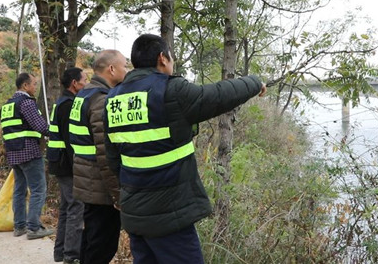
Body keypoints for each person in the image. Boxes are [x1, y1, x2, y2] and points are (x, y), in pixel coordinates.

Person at [105, 34, 266, 263]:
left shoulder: (113, 98)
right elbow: (219, 95)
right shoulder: (171, 90)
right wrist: (254, 82)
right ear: (162, 58)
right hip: (169, 216)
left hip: (135, 214)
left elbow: (113, 159)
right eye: (171, 57)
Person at [70, 50, 129, 264]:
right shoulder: (101, 100)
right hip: (100, 186)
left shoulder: (84, 94)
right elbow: (105, 154)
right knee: (102, 246)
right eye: (124, 66)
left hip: (88, 181)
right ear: (111, 69)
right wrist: (117, 194)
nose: (127, 70)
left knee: (91, 240)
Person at [0, 72, 53, 240]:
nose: (35, 87)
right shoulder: (27, 103)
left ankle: (19, 226)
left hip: (13, 153)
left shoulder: (7, 105)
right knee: (38, 190)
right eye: (34, 84)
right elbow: (40, 126)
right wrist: (56, 132)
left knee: (19, 190)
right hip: (29, 151)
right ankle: (34, 228)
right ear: (25, 85)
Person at [47, 67, 88, 264]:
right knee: (75, 209)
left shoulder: (61, 102)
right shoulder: (69, 105)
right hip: (67, 165)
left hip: (59, 162)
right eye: (84, 80)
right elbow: (71, 141)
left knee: (66, 208)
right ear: (74, 83)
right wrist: (78, 167)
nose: (86, 84)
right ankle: (72, 255)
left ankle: (60, 251)